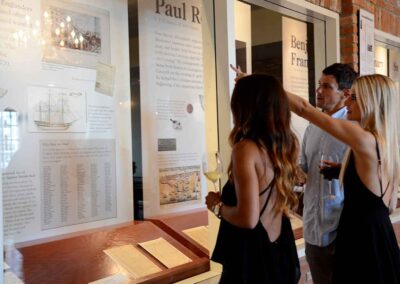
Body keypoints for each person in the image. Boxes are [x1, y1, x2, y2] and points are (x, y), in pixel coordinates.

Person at [288, 74, 400, 283]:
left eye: (354, 98)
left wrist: (264, 86)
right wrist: (345, 171)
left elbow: (304, 109)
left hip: (361, 240)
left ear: (372, 102)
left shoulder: (363, 138)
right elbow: (390, 204)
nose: (347, 102)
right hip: (382, 237)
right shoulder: (387, 144)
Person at [205, 74, 301, 283]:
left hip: (251, 258)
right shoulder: (288, 145)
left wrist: (216, 206)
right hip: (280, 248)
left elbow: (248, 219)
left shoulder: (246, 150)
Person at [299, 63, 357, 284]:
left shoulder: (354, 128)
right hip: (313, 228)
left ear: (345, 93)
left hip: (343, 229)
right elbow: (303, 169)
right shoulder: (311, 128)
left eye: (326, 86)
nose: (319, 91)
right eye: (319, 85)